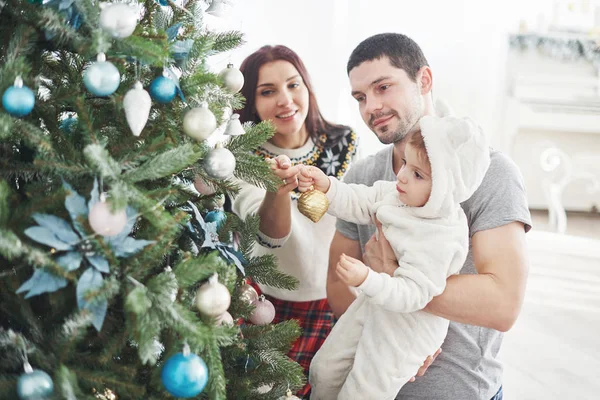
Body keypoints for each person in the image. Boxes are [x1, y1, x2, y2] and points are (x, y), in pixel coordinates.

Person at [326, 33, 532, 400]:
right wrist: (387, 342)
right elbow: (337, 283)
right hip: (367, 380)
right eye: (360, 97)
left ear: (424, 80)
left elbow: (503, 303)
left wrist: (391, 279)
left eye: (383, 87)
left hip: (458, 389)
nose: (371, 106)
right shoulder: (362, 177)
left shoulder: (490, 173)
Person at [293, 115, 490, 399]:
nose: (402, 176)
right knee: (324, 369)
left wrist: (367, 278)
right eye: (406, 164)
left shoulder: (441, 236)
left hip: (409, 327)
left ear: (443, 189)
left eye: (418, 174)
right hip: (376, 303)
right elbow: (359, 199)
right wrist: (327, 186)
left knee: (362, 392)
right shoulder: (399, 195)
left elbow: (414, 295)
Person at [230, 45, 358, 397]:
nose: (285, 100)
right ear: (250, 103)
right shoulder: (240, 157)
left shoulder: (344, 142)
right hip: (269, 308)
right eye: (267, 91)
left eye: (293, 84)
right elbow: (270, 237)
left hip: (340, 300)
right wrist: (278, 190)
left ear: (307, 87)